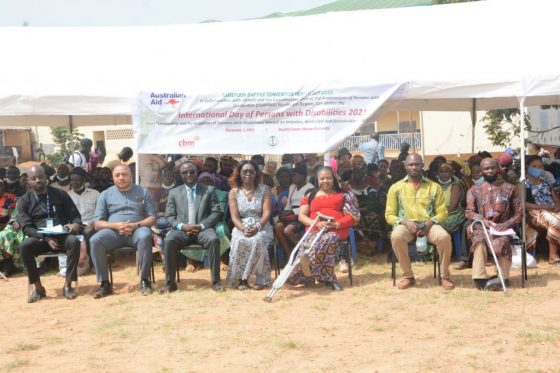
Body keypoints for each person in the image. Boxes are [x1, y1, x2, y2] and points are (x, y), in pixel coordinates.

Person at [385, 154, 454, 290]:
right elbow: (389, 215)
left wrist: (429, 223)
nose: (414, 167)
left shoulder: (434, 187)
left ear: (423, 165)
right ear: (405, 166)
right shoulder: (396, 188)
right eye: (411, 164)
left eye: (417, 164)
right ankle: (408, 276)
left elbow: (442, 212)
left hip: (429, 225)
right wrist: (404, 222)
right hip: (407, 225)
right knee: (396, 236)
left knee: (444, 237)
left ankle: (445, 276)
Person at [288, 166, 360, 291]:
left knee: (328, 238)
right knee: (310, 242)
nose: (325, 181)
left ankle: (320, 272)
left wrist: (335, 224)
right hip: (315, 229)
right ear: (317, 179)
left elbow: (353, 217)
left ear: (334, 179)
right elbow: (301, 216)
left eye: (328, 178)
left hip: (336, 229)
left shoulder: (345, 194)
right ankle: (316, 273)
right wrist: (316, 224)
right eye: (322, 178)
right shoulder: (310, 195)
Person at [17, 165, 82, 303]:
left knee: (74, 242)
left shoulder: (60, 194)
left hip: (62, 236)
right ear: (28, 181)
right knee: (25, 246)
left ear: (46, 177)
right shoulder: (23, 201)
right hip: (40, 239)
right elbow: (27, 228)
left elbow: (75, 216)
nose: (37, 180)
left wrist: (74, 224)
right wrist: (45, 238)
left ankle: (67, 285)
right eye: (33, 178)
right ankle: (38, 288)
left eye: (40, 176)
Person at [90, 165, 157, 298]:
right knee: (95, 240)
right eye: (117, 175)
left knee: (145, 235)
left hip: (137, 231)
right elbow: (97, 223)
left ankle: (144, 281)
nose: (121, 177)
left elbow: (152, 218)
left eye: (124, 174)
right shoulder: (105, 195)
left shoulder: (143, 192)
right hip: (113, 232)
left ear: (131, 176)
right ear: (113, 178)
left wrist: (135, 225)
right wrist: (116, 226)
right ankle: (104, 283)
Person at [161, 162, 224, 293]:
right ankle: (170, 283)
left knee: (213, 240)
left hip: (203, 229)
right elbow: (169, 216)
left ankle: (216, 281)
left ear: (197, 173)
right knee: (168, 241)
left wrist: (201, 226)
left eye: (191, 172)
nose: (188, 175)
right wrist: (182, 226)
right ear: (180, 175)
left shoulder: (208, 190)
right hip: (181, 230)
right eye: (184, 173)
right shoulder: (174, 192)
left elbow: (216, 212)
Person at [465, 158, 522, 290]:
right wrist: (481, 219)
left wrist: (507, 224)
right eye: (486, 168)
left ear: (497, 169)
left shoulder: (509, 188)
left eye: (492, 168)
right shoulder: (474, 190)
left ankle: (503, 278)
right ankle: (479, 278)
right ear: (481, 170)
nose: (489, 171)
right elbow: (469, 212)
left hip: (503, 227)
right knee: (478, 240)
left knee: (502, 244)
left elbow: (519, 213)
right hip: (482, 226)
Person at [226, 160, 274, 290]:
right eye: (245, 171)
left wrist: (257, 227)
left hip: (261, 225)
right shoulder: (233, 192)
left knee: (257, 239)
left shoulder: (265, 190)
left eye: (251, 171)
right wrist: (243, 229)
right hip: (241, 226)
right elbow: (234, 217)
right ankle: (242, 278)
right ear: (239, 174)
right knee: (240, 240)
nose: (248, 174)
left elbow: (267, 213)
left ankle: (259, 278)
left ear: (256, 174)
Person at [343, 155, 384, 256]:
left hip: (367, 210)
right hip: (351, 212)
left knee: (374, 218)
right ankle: (362, 244)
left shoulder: (370, 185)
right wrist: (355, 210)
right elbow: (344, 202)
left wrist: (364, 209)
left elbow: (374, 202)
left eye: (360, 170)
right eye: (355, 170)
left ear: (364, 171)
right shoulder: (346, 186)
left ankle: (368, 243)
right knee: (351, 220)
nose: (357, 172)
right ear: (352, 171)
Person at [524, 155, 560, 265]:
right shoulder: (523, 183)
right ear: (527, 167)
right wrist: (545, 208)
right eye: (534, 166)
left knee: (555, 218)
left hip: (551, 209)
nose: (537, 168)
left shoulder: (546, 182)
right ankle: (553, 255)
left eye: (540, 166)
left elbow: (556, 198)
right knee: (556, 221)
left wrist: (558, 206)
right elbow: (523, 204)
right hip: (534, 211)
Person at [275, 166, 314, 257]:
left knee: (288, 231)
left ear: (303, 176)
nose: (292, 178)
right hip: (291, 215)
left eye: (294, 175)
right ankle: (289, 255)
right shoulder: (292, 187)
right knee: (278, 227)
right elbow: (289, 202)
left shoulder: (310, 188)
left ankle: (303, 252)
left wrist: (293, 211)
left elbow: (310, 206)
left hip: (302, 215)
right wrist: (286, 212)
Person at [67, 167, 99, 272]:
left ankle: (93, 263)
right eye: (72, 180)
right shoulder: (67, 195)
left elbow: (100, 212)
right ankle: (74, 266)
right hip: (74, 225)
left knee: (88, 232)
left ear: (84, 180)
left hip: (91, 225)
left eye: (78, 179)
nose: (74, 182)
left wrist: (94, 223)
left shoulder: (95, 194)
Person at [436, 163, 466, 234]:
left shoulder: (455, 185)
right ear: (438, 174)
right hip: (440, 212)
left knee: (439, 225)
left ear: (451, 174)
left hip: (454, 212)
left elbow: (453, 206)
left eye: (446, 171)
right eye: (441, 172)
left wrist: (440, 216)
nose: (444, 174)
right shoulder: (436, 186)